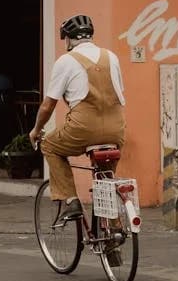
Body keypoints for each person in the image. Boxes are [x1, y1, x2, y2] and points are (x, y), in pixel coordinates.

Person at [29, 14, 126, 222]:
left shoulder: (66, 61)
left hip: (83, 128)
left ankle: (71, 200)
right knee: (105, 181)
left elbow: (48, 105)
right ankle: (113, 232)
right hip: (115, 129)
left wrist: (37, 130)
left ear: (68, 39)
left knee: (50, 146)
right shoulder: (112, 57)